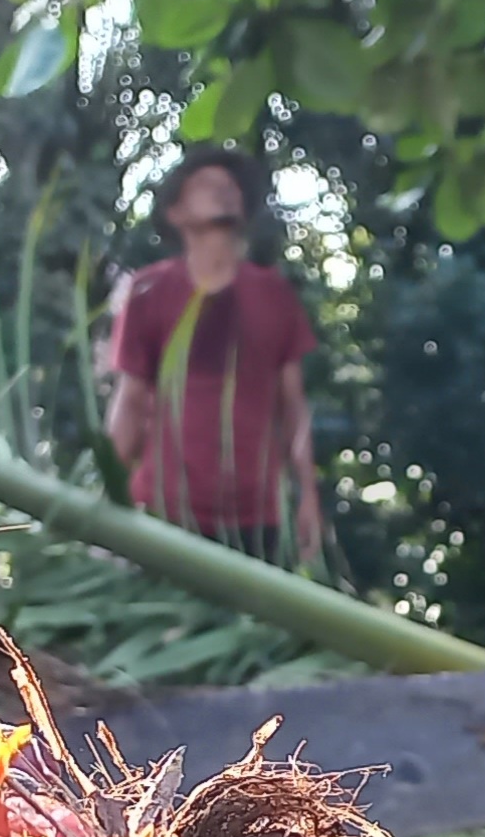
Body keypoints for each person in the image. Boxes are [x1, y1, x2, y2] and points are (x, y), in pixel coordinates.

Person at [105, 146, 324, 565]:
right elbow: (129, 401)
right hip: (162, 509)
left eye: (230, 187)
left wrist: (308, 498)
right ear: (176, 213)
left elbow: (293, 407)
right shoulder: (149, 291)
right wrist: (108, 499)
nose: (223, 192)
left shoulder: (274, 294)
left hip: (255, 516)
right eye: (206, 186)